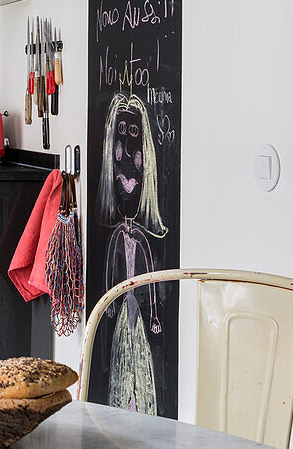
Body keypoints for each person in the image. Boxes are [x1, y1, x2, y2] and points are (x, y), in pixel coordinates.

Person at [97, 92, 167, 414]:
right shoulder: (116, 239)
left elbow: (151, 277)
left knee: (139, 359)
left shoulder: (140, 237)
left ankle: (141, 412)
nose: (127, 177)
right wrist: (107, 305)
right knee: (122, 362)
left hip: (137, 309)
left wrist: (153, 313)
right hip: (121, 308)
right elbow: (111, 272)